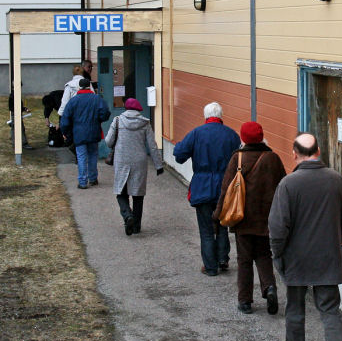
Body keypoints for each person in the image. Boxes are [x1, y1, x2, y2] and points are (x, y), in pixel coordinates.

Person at [268, 133, 342, 341]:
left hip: (296, 259)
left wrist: (278, 255)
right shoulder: (336, 180)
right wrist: (333, 240)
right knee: (330, 313)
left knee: (295, 312)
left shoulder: (288, 184)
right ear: (318, 151)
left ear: (294, 154)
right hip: (327, 258)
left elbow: (277, 228)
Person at [213, 121, 286, 314]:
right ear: (261, 137)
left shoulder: (237, 159)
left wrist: (218, 214)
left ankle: (245, 301)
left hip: (242, 217)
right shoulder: (273, 159)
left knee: (244, 259)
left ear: (243, 138)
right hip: (266, 218)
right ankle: (269, 287)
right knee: (264, 255)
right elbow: (283, 188)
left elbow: (226, 189)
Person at [173, 102, 240, 276]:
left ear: (206, 116)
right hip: (225, 186)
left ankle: (210, 267)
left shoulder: (196, 133)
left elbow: (179, 155)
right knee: (223, 223)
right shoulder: (232, 135)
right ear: (221, 116)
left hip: (202, 185)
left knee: (206, 228)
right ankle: (223, 258)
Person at [105, 97, 164, 236]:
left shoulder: (118, 120)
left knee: (121, 192)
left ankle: (127, 216)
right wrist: (158, 165)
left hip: (122, 161)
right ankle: (136, 226)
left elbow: (108, 141)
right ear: (138, 110)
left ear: (126, 108)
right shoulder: (145, 123)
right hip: (139, 161)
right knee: (138, 194)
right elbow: (152, 146)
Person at [60, 78, 110, 189]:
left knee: (82, 157)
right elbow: (105, 113)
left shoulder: (73, 101)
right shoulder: (96, 99)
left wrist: (66, 132)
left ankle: (82, 182)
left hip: (79, 133)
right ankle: (93, 178)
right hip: (94, 131)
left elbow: (65, 118)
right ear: (89, 86)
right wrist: (98, 120)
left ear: (79, 87)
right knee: (93, 155)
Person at [8, 84, 32, 149]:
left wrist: (24, 109)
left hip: (17, 113)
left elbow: (18, 106)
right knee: (18, 129)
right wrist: (22, 109)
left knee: (17, 128)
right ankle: (22, 144)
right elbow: (12, 107)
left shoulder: (15, 94)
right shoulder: (13, 95)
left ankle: (16, 144)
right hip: (15, 114)